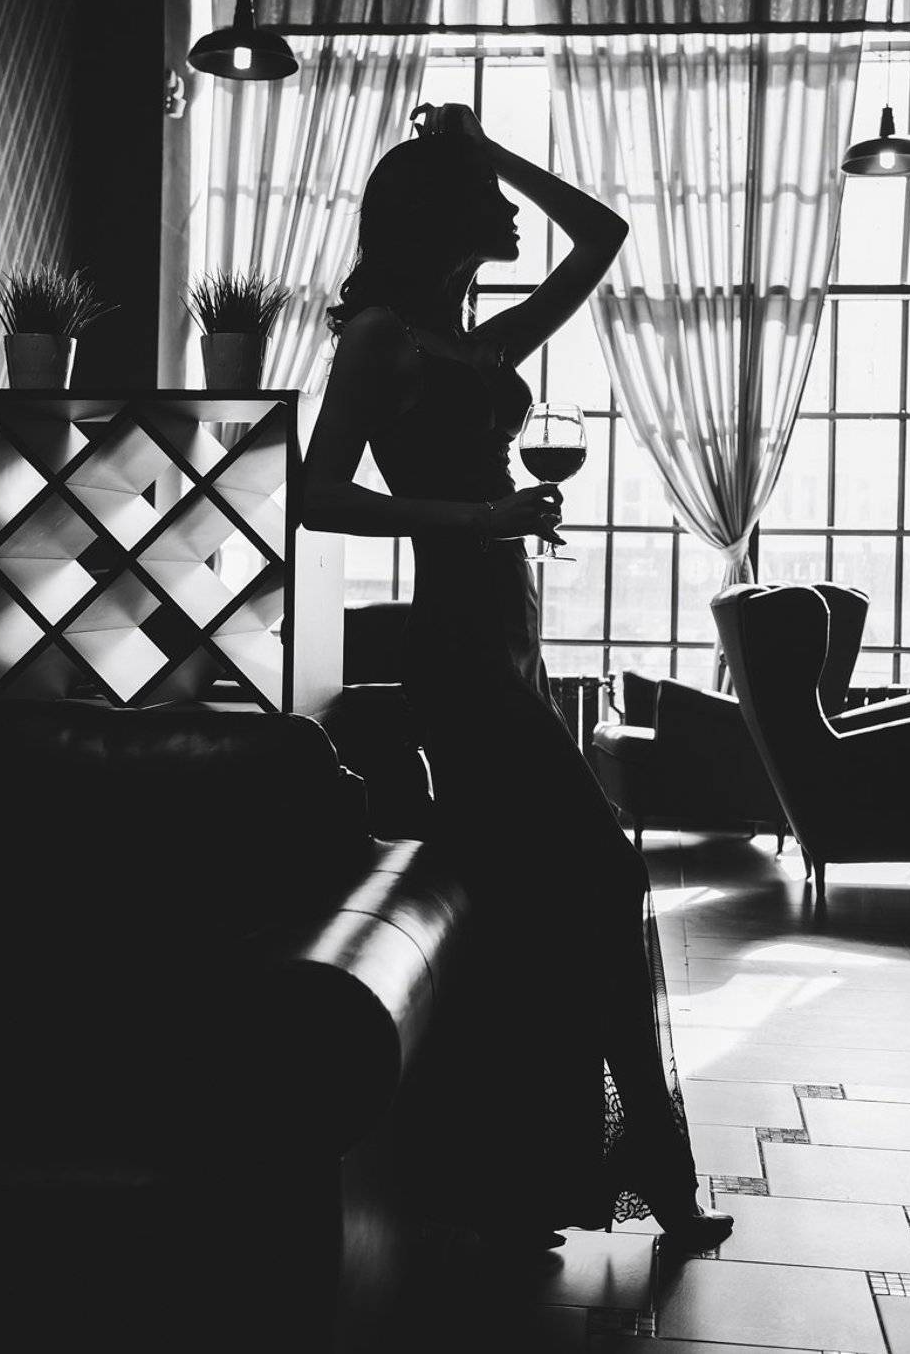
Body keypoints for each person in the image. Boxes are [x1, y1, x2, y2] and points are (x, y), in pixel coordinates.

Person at [301, 100, 733, 1253]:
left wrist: (485, 149)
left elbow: (602, 235)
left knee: (543, 899)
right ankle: (647, 1156)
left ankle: (530, 1166)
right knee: (603, 874)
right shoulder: (383, 338)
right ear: (441, 219)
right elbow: (317, 495)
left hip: (511, 639)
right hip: (457, 647)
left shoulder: (480, 344)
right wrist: (480, 516)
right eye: (488, 198)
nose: (508, 213)